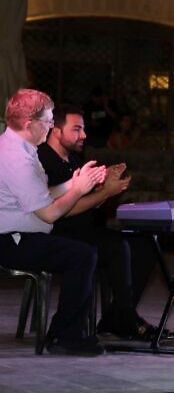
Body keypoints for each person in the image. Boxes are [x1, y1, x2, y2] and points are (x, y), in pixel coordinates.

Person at [38, 103, 159, 340]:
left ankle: (117, 316)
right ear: (56, 131)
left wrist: (104, 187)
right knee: (116, 246)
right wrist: (105, 193)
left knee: (145, 246)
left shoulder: (73, 159)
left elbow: (85, 201)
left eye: (83, 129)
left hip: (83, 229)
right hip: (59, 233)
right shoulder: (44, 159)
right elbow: (61, 209)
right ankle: (123, 318)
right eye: (76, 129)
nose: (83, 135)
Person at [0, 89, 106, 355]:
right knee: (82, 255)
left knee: (83, 251)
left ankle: (67, 332)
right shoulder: (16, 158)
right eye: (47, 122)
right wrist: (79, 190)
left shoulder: (21, 146)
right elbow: (49, 213)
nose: (50, 128)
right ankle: (64, 337)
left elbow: (43, 194)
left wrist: (76, 181)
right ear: (29, 124)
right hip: (9, 241)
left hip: (20, 233)